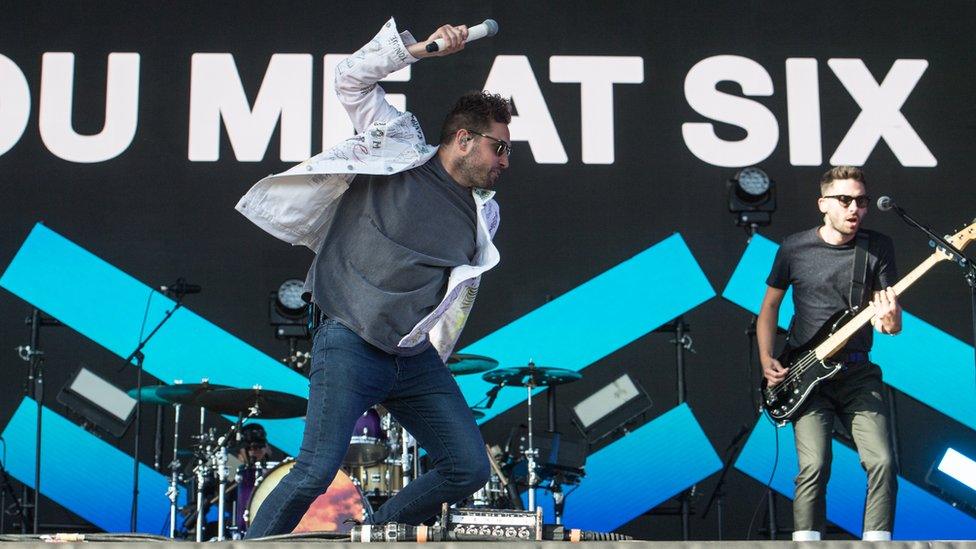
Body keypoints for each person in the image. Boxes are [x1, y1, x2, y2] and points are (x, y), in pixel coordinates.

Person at [235, 17, 511, 537]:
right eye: (499, 147)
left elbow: (453, 300)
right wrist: (418, 52)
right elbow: (350, 79)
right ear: (463, 139)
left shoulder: (484, 217)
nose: (505, 160)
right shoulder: (398, 144)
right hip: (349, 343)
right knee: (314, 471)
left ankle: (373, 536)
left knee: (468, 467)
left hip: (410, 360)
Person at [757, 166, 901, 541]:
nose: (855, 208)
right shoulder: (794, 247)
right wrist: (766, 358)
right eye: (845, 200)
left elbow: (888, 325)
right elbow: (769, 307)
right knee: (814, 465)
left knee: (882, 461)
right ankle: (806, 542)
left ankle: (878, 541)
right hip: (806, 376)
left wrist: (891, 318)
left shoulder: (877, 247)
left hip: (858, 373)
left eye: (861, 201)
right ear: (823, 204)